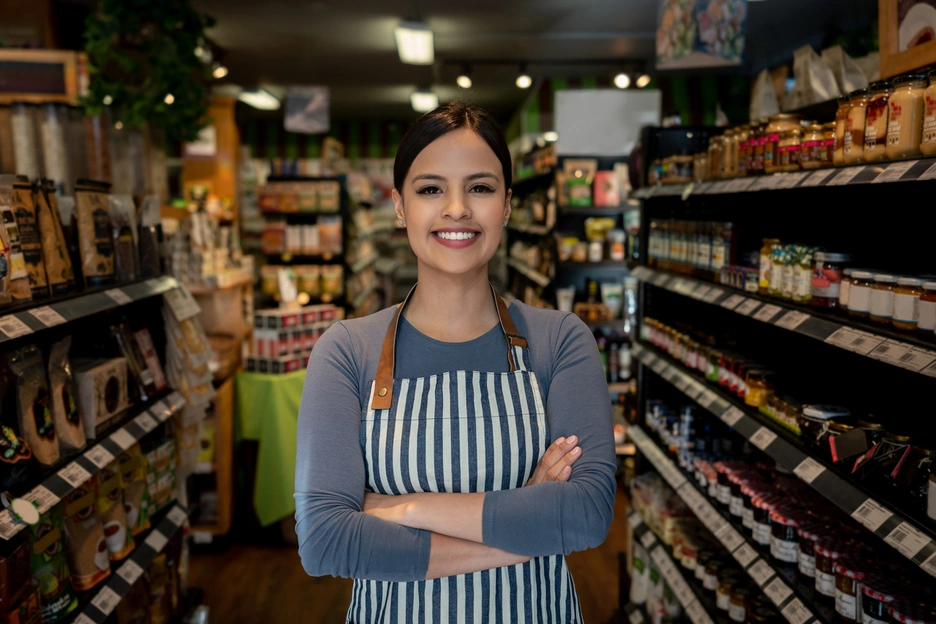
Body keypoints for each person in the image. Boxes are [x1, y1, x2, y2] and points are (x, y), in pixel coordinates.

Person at [294, 101, 616, 623]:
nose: (457, 208)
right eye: (430, 189)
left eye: (481, 188)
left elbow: (586, 515)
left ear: (508, 204)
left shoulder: (561, 341)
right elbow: (326, 541)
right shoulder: (347, 351)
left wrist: (401, 508)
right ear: (400, 207)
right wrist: (530, 522)